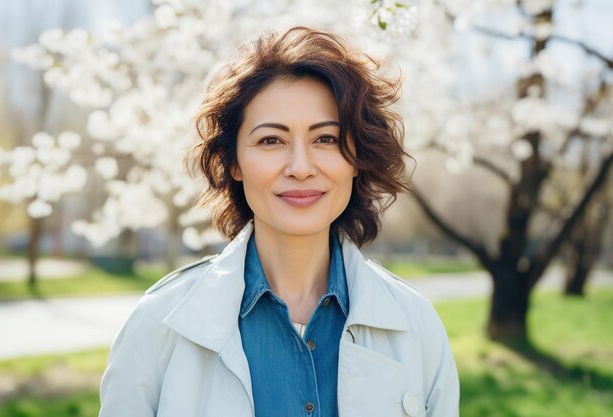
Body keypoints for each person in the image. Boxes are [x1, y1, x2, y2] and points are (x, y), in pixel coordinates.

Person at [98, 26, 459, 417]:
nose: (301, 168)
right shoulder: (159, 324)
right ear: (233, 162)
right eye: (271, 141)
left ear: (357, 160)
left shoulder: (416, 324)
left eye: (327, 140)